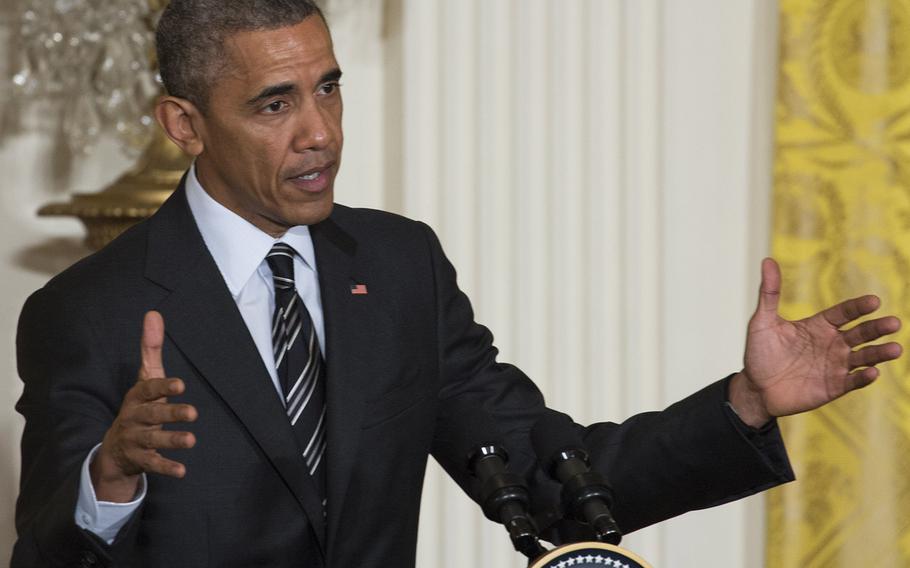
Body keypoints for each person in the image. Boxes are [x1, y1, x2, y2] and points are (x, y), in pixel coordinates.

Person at [12, 1, 902, 567]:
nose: (320, 132)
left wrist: (743, 404)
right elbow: (48, 547)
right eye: (276, 104)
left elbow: (553, 484)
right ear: (185, 123)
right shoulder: (87, 311)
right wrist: (111, 476)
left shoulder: (399, 269)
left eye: (329, 89)